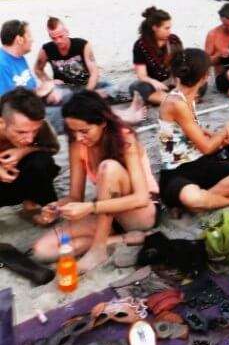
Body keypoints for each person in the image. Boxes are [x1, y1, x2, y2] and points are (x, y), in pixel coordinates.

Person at [32, 91, 157, 272]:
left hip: (138, 213)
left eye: (84, 131)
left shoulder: (125, 139)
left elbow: (141, 198)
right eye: (72, 131)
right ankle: (117, 240)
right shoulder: (77, 143)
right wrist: (57, 207)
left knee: (108, 168)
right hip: (106, 213)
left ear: (103, 122)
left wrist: (90, 207)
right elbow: (75, 196)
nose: (78, 138)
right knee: (42, 251)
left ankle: (98, 250)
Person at [158, 48, 229, 211]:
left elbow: (189, 129)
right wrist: (224, 131)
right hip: (177, 170)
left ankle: (206, 200)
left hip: (200, 163)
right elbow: (206, 148)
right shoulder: (176, 103)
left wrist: (217, 136)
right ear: (205, 76)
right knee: (191, 197)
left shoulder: (185, 96)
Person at [0, 88, 60, 224]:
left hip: (18, 177)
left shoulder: (35, 124)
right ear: (2, 122)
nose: (30, 138)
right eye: (21, 132)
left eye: (34, 131)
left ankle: (42, 206)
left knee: (41, 160)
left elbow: (52, 147)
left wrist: (24, 151)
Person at [129, 7, 184, 106]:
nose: (169, 31)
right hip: (153, 84)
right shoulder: (141, 45)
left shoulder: (174, 40)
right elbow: (142, 75)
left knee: (198, 80)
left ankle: (171, 99)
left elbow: (180, 65)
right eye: (166, 28)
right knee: (137, 87)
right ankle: (174, 99)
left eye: (170, 28)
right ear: (155, 28)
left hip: (173, 80)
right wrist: (154, 82)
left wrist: (178, 83)